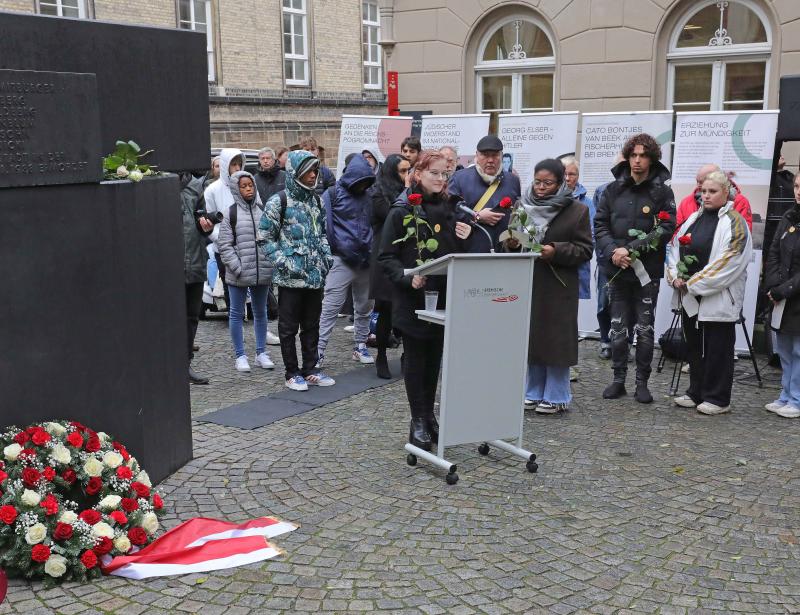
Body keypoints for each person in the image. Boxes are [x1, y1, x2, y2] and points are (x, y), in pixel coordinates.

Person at [379, 150, 472, 451]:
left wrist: (464, 234)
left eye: (445, 174)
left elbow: (451, 252)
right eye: (435, 173)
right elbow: (386, 257)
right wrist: (408, 277)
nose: (441, 179)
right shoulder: (402, 209)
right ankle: (417, 420)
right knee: (416, 360)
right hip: (413, 297)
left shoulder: (450, 208)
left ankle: (428, 416)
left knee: (434, 359)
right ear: (418, 174)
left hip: (443, 295)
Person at [594, 133, 676, 403]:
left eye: (643, 156)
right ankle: (618, 380)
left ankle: (642, 382)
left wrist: (631, 249)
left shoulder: (662, 191)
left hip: (646, 273)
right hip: (616, 270)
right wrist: (613, 252)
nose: (638, 161)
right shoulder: (611, 190)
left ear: (652, 159)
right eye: (633, 155)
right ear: (628, 157)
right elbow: (600, 225)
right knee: (617, 329)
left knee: (644, 329)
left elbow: (666, 228)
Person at [508, 159, 592, 413]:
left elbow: (585, 249)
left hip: (558, 284)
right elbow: (511, 236)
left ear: (561, 183)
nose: (541, 187)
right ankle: (532, 391)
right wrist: (510, 243)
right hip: (529, 280)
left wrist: (554, 250)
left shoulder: (576, 210)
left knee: (555, 340)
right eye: (537, 182)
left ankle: (557, 396)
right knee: (532, 337)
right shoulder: (521, 206)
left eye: (548, 183)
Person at [667, 171, 752, 416]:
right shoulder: (693, 217)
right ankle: (696, 391)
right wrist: (675, 276)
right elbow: (673, 248)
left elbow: (730, 261)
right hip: (690, 295)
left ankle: (718, 397)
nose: (706, 195)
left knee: (718, 349)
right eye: (703, 191)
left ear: (726, 193)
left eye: (712, 191)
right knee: (694, 345)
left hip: (718, 296)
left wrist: (692, 283)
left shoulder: (735, 221)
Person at [258, 150, 335, 391]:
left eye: (315, 170)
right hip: (290, 279)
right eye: (309, 171)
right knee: (288, 328)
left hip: (314, 277)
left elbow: (322, 233)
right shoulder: (278, 201)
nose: (314, 175)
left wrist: (326, 258)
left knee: (312, 325)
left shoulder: (316, 201)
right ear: (297, 172)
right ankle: (292, 372)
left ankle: (310, 368)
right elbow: (264, 238)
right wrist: (284, 261)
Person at [316, 154, 377, 369]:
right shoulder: (332, 194)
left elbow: (374, 223)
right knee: (330, 307)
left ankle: (360, 344)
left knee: (365, 306)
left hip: (365, 260)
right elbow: (325, 225)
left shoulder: (370, 194)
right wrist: (336, 250)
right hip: (341, 258)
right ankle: (318, 350)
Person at [217, 171, 275, 372]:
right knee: (236, 313)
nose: (248, 188)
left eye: (250, 185)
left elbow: (270, 238)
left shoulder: (263, 210)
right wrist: (237, 267)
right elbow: (224, 245)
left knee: (261, 312)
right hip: (239, 273)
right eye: (243, 185)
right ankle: (240, 355)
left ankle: (261, 352)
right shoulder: (230, 213)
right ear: (236, 188)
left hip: (262, 271)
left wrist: (270, 261)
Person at [370, 154, 411, 379]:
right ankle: (382, 356)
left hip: (405, 255)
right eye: (402, 171)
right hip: (384, 256)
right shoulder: (378, 194)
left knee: (406, 307)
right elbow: (394, 217)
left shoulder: (410, 193)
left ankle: (407, 354)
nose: (407, 175)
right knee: (385, 308)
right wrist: (406, 190)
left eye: (408, 170)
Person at [764, 173, 800, 419]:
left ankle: (797, 399)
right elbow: (774, 251)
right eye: (797, 186)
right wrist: (773, 286)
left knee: (799, 351)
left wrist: (784, 289)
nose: (798, 191)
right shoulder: (789, 215)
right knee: (784, 349)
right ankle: (785, 394)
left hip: (796, 295)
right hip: (782, 296)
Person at [448, 135, 521, 253]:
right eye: (485, 155)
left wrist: (515, 241)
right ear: (476, 155)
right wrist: (476, 216)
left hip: (503, 255)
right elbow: (449, 213)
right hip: (470, 251)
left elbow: (516, 216)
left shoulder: (513, 180)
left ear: (501, 156)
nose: (490, 160)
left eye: (495, 155)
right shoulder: (459, 178)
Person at [180, 171, 213, 385]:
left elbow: (201, 218)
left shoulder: (195, 185)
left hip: (195, 260)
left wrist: (206, 225)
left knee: (192, 317)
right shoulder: (157, 180)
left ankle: (185, 364)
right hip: (170, 265)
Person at [203, 148, 244, 311]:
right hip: (223, 248)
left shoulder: (246, 184)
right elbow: (208, 222)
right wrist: (221, 239)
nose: (237, 168)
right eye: (233, 164)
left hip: (245, 246)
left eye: (239, 164)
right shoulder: (212, 190)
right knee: (230, 288)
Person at [676, 163, 752, 230]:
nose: (698, 185)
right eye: (697, 181)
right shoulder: (686, 202)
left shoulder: (740, 202)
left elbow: (742, 236)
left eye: (702, 181)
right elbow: (677, 233)